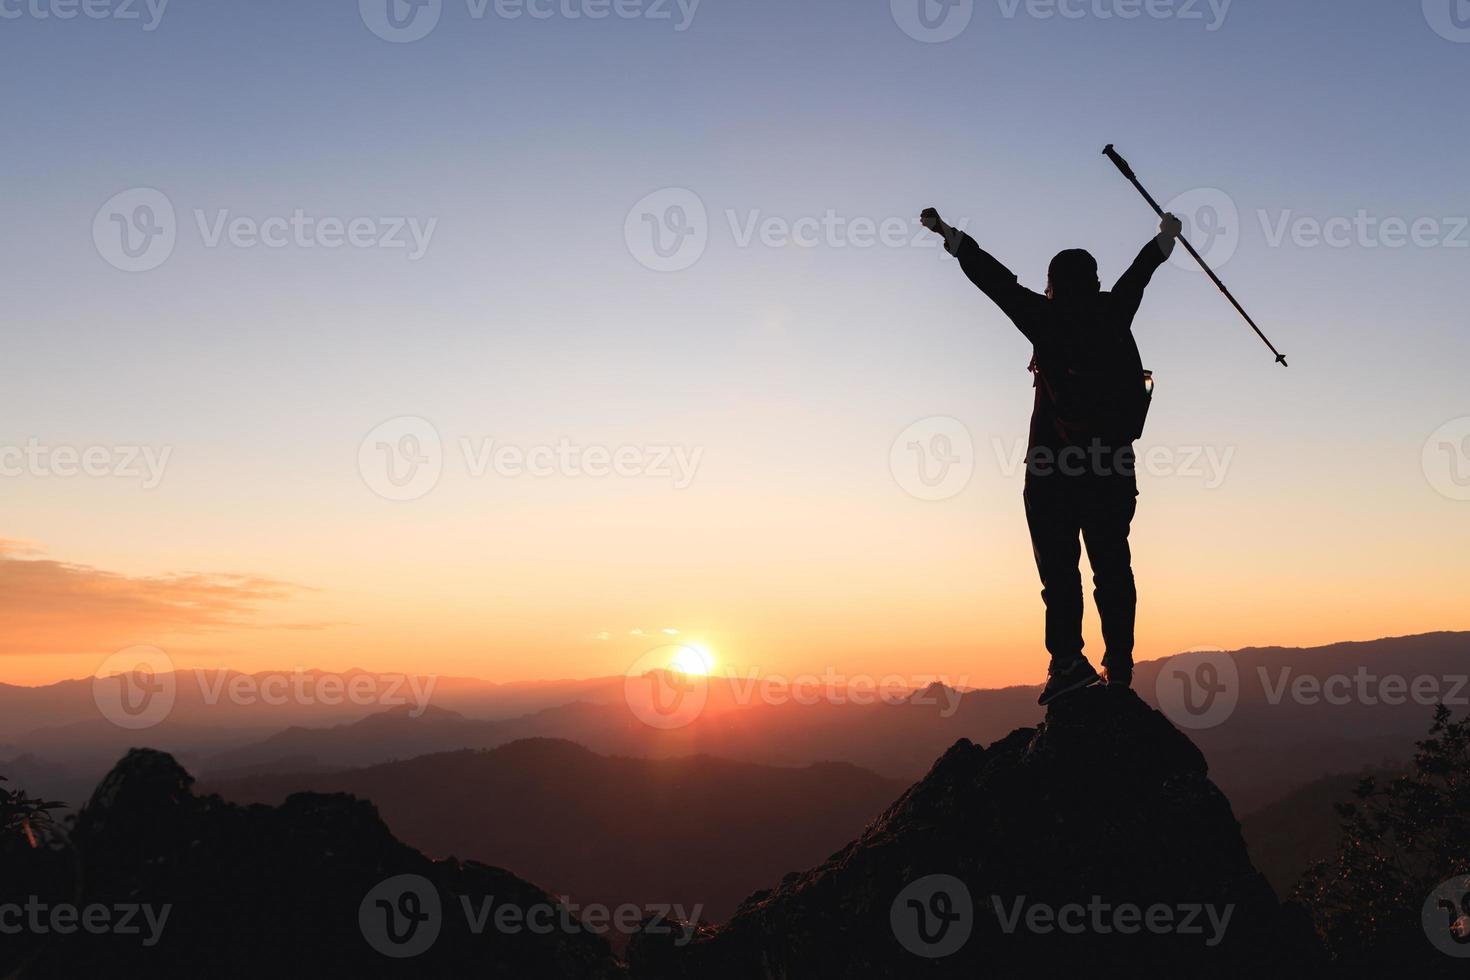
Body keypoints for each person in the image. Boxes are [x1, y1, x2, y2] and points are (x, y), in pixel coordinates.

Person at [920, 206, 1182, 705]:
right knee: (1113, 568)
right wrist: (1166, 236)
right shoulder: (1113, 311)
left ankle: (1067, 664)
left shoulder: (1043, 317)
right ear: (1095, 280)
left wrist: (947, 234)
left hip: (1050, 470)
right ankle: (1120, 667)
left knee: (1060, 575)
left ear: (1052, 285)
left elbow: (992, 279)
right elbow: (1142, 272)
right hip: (1110, 469)